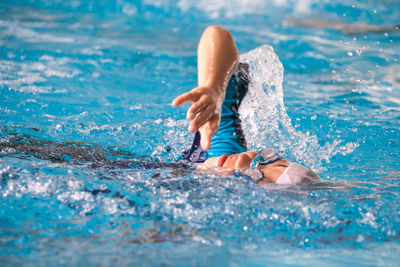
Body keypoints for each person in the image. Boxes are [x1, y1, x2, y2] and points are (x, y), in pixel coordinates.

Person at [172, 26, 321, 185]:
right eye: (265, 160)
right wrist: (214, 89)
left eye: (255, 174)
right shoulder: (221, 147)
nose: (245, 157)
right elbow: (216, 35)